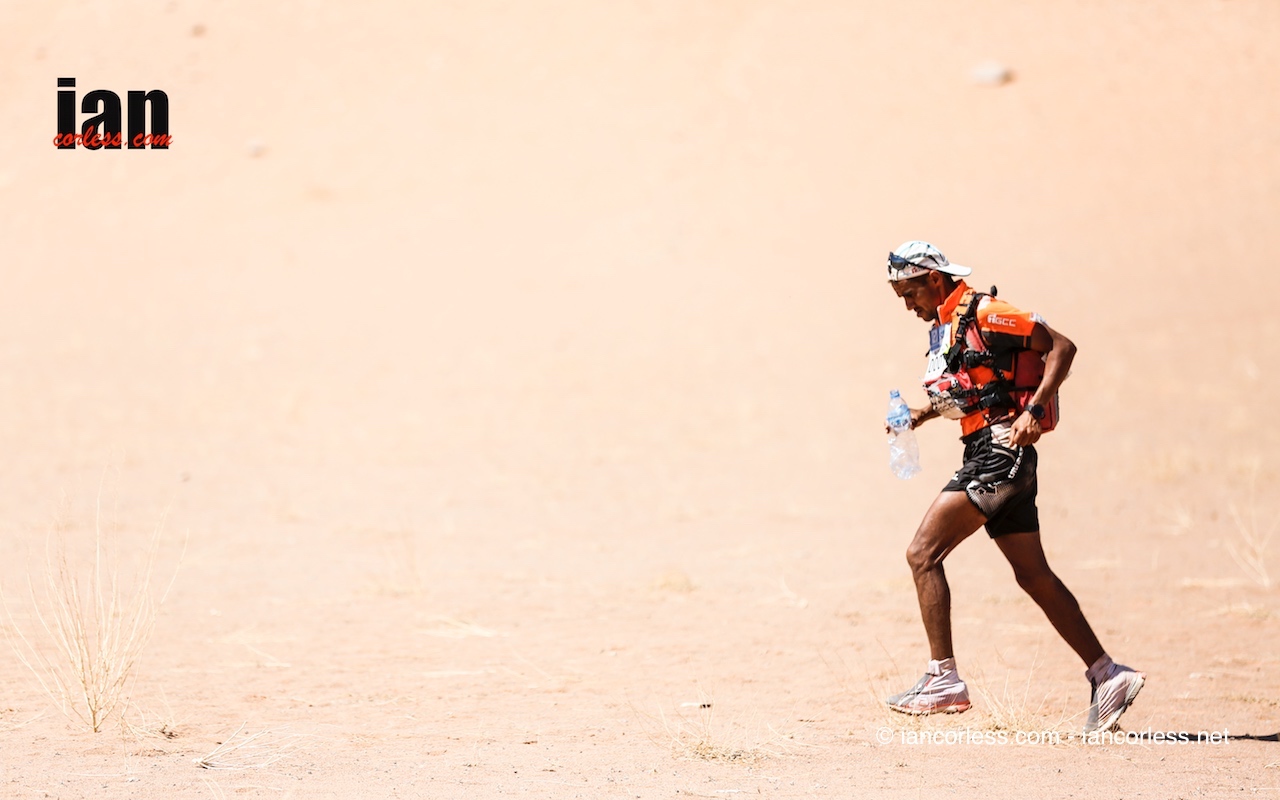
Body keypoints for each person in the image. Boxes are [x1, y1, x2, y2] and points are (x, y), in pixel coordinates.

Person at [882, 240, 1144, 734]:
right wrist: (923, 413)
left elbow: (1062, 347)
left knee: (922, 553)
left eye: (910, 293)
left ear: (934, 279)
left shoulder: (986, 312)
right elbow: (979, 387)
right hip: (991, 451)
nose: (908, 305)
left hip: (1001, 452)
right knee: (1033, 574)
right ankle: (1108, 675)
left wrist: (1034, 411)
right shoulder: (950, 325)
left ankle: (943, 680)